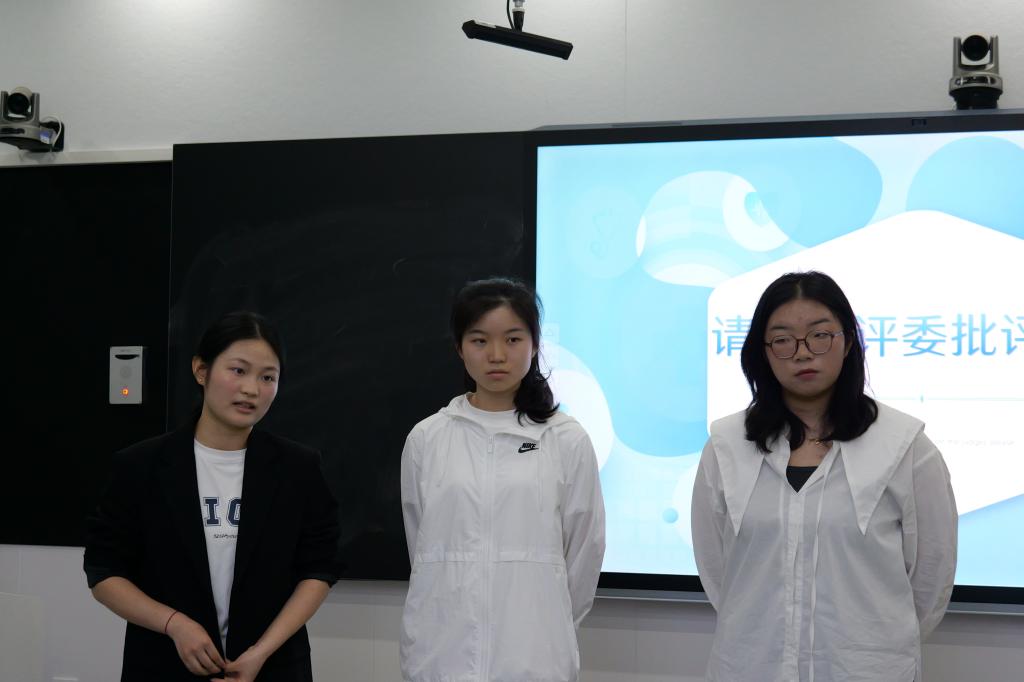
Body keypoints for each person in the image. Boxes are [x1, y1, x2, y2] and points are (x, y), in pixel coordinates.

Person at [691, 271, 958, 682]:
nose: (802, 353)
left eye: (819, 335)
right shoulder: (727, 446)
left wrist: (872, 645)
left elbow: (931, 578)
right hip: (751, 666)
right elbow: (717, 570)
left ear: (848, 342)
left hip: (864, 670)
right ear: (762, 353)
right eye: (782, 340)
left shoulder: (906, 448)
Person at [84, 312, 340, 682]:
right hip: (164, 664)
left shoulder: (298, 468)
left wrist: (262, 651)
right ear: (201, 370)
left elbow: (319, 568)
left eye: (267, 377)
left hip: (272, 666)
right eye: (238, 370)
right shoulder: (141, 466)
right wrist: (174, 624)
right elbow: (104, 572)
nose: (251, 389)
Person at [400, 277, 606, 682]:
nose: (497, 355)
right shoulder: (428, 437)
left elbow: (585, 550)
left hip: (534, 654)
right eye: (480, 341)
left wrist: (548, 619)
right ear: (459, 347)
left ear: (535, 344)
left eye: (513, 339)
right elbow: (422, 547)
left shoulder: (566, 439)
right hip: (442, 653)